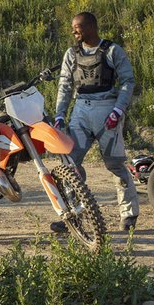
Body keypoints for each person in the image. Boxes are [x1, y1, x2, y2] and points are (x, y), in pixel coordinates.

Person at [51, 12, 139, 232]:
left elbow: (128, 81)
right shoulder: (71, 54)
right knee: (70, 165)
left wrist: (118, 110)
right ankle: (73, 214)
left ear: (91, 26)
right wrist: (60, 115)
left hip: (107, 110)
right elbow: (64, 85)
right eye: (73, 27)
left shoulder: (112, 50)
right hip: (81, 110)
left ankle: (128, 215)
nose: (74, 31)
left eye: (78, 27)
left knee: (115, 164)